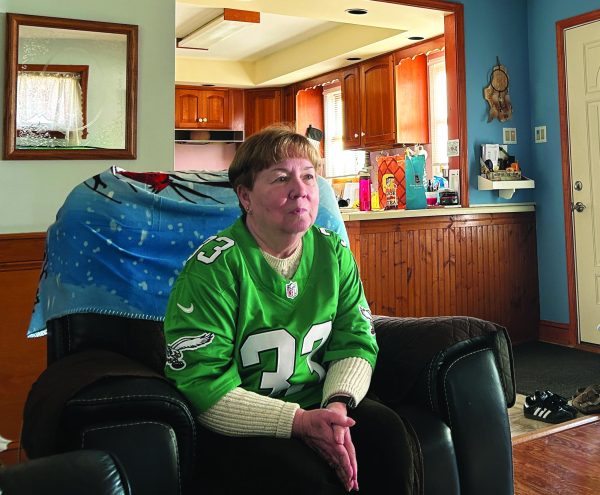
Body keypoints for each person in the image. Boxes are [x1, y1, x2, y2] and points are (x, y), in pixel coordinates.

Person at [163, 125, 420, 494]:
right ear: (245, 196)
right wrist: (298, 422)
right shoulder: (211, 270)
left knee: (391, 439)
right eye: (281, 178)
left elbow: (355, 340)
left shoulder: (333, 253)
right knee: (308, 477)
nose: (300, 190)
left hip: (324, 403)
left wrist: (336, 408)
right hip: (250, 423)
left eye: (309, 177)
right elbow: (203, 385)